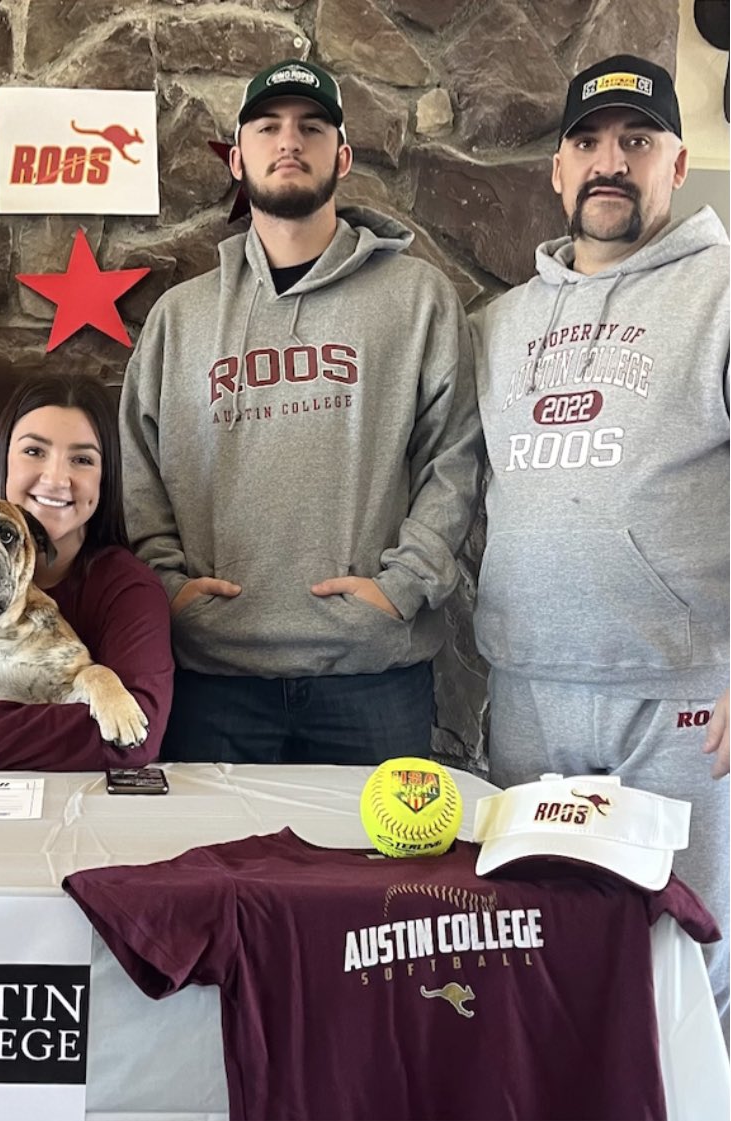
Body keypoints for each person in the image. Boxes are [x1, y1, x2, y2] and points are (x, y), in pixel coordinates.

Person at [119, 59, 482, 764]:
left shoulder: (417, 299)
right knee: (218, 874)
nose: (289, 141)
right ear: (236, 155)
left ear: (340, 155)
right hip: (212, 675)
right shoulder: (179, 318)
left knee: (376, 878)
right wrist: (168, 587)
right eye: (267, 126)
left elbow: (454, 458)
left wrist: (400, 587)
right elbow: (138, 468)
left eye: (311, 127)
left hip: (371, 676)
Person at [470, 55, 730, 1025]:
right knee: (536, 944)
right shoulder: (500, 324)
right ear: (557, 169)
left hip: (682, 703)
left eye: (636, 140)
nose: (609, 161)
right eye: (588, 141)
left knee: (691, 952)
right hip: (527, 690)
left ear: (678, 160)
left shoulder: (723, 291)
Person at [0, 373, 174, 770]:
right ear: (1, 459)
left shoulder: (129, 590)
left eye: (82, 459)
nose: (55, 479)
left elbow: (134, 737)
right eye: (34, 451)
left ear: (107, 477)